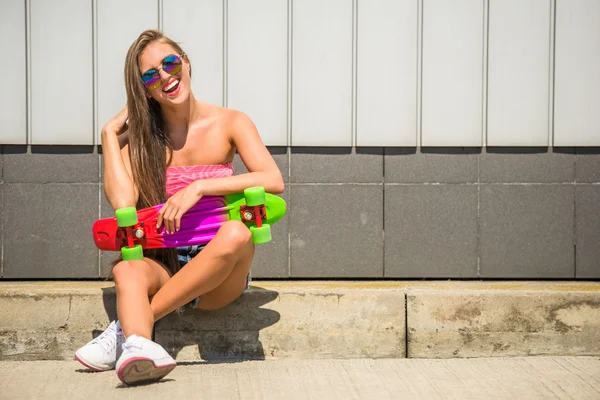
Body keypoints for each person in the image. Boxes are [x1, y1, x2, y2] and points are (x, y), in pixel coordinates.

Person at [74, 29, 284, 385]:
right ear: (144, 89)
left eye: (170, 63)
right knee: (127, 270)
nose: (165, 77)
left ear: (186, 63)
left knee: (236, 232)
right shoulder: (140, 141)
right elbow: (123, 202)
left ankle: (128, 332)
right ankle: (141, 353)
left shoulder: (230, 122)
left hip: (221, 271)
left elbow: (272, 179)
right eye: (151, 75)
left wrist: (199, 187)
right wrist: (110, 135)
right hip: (166, 263)